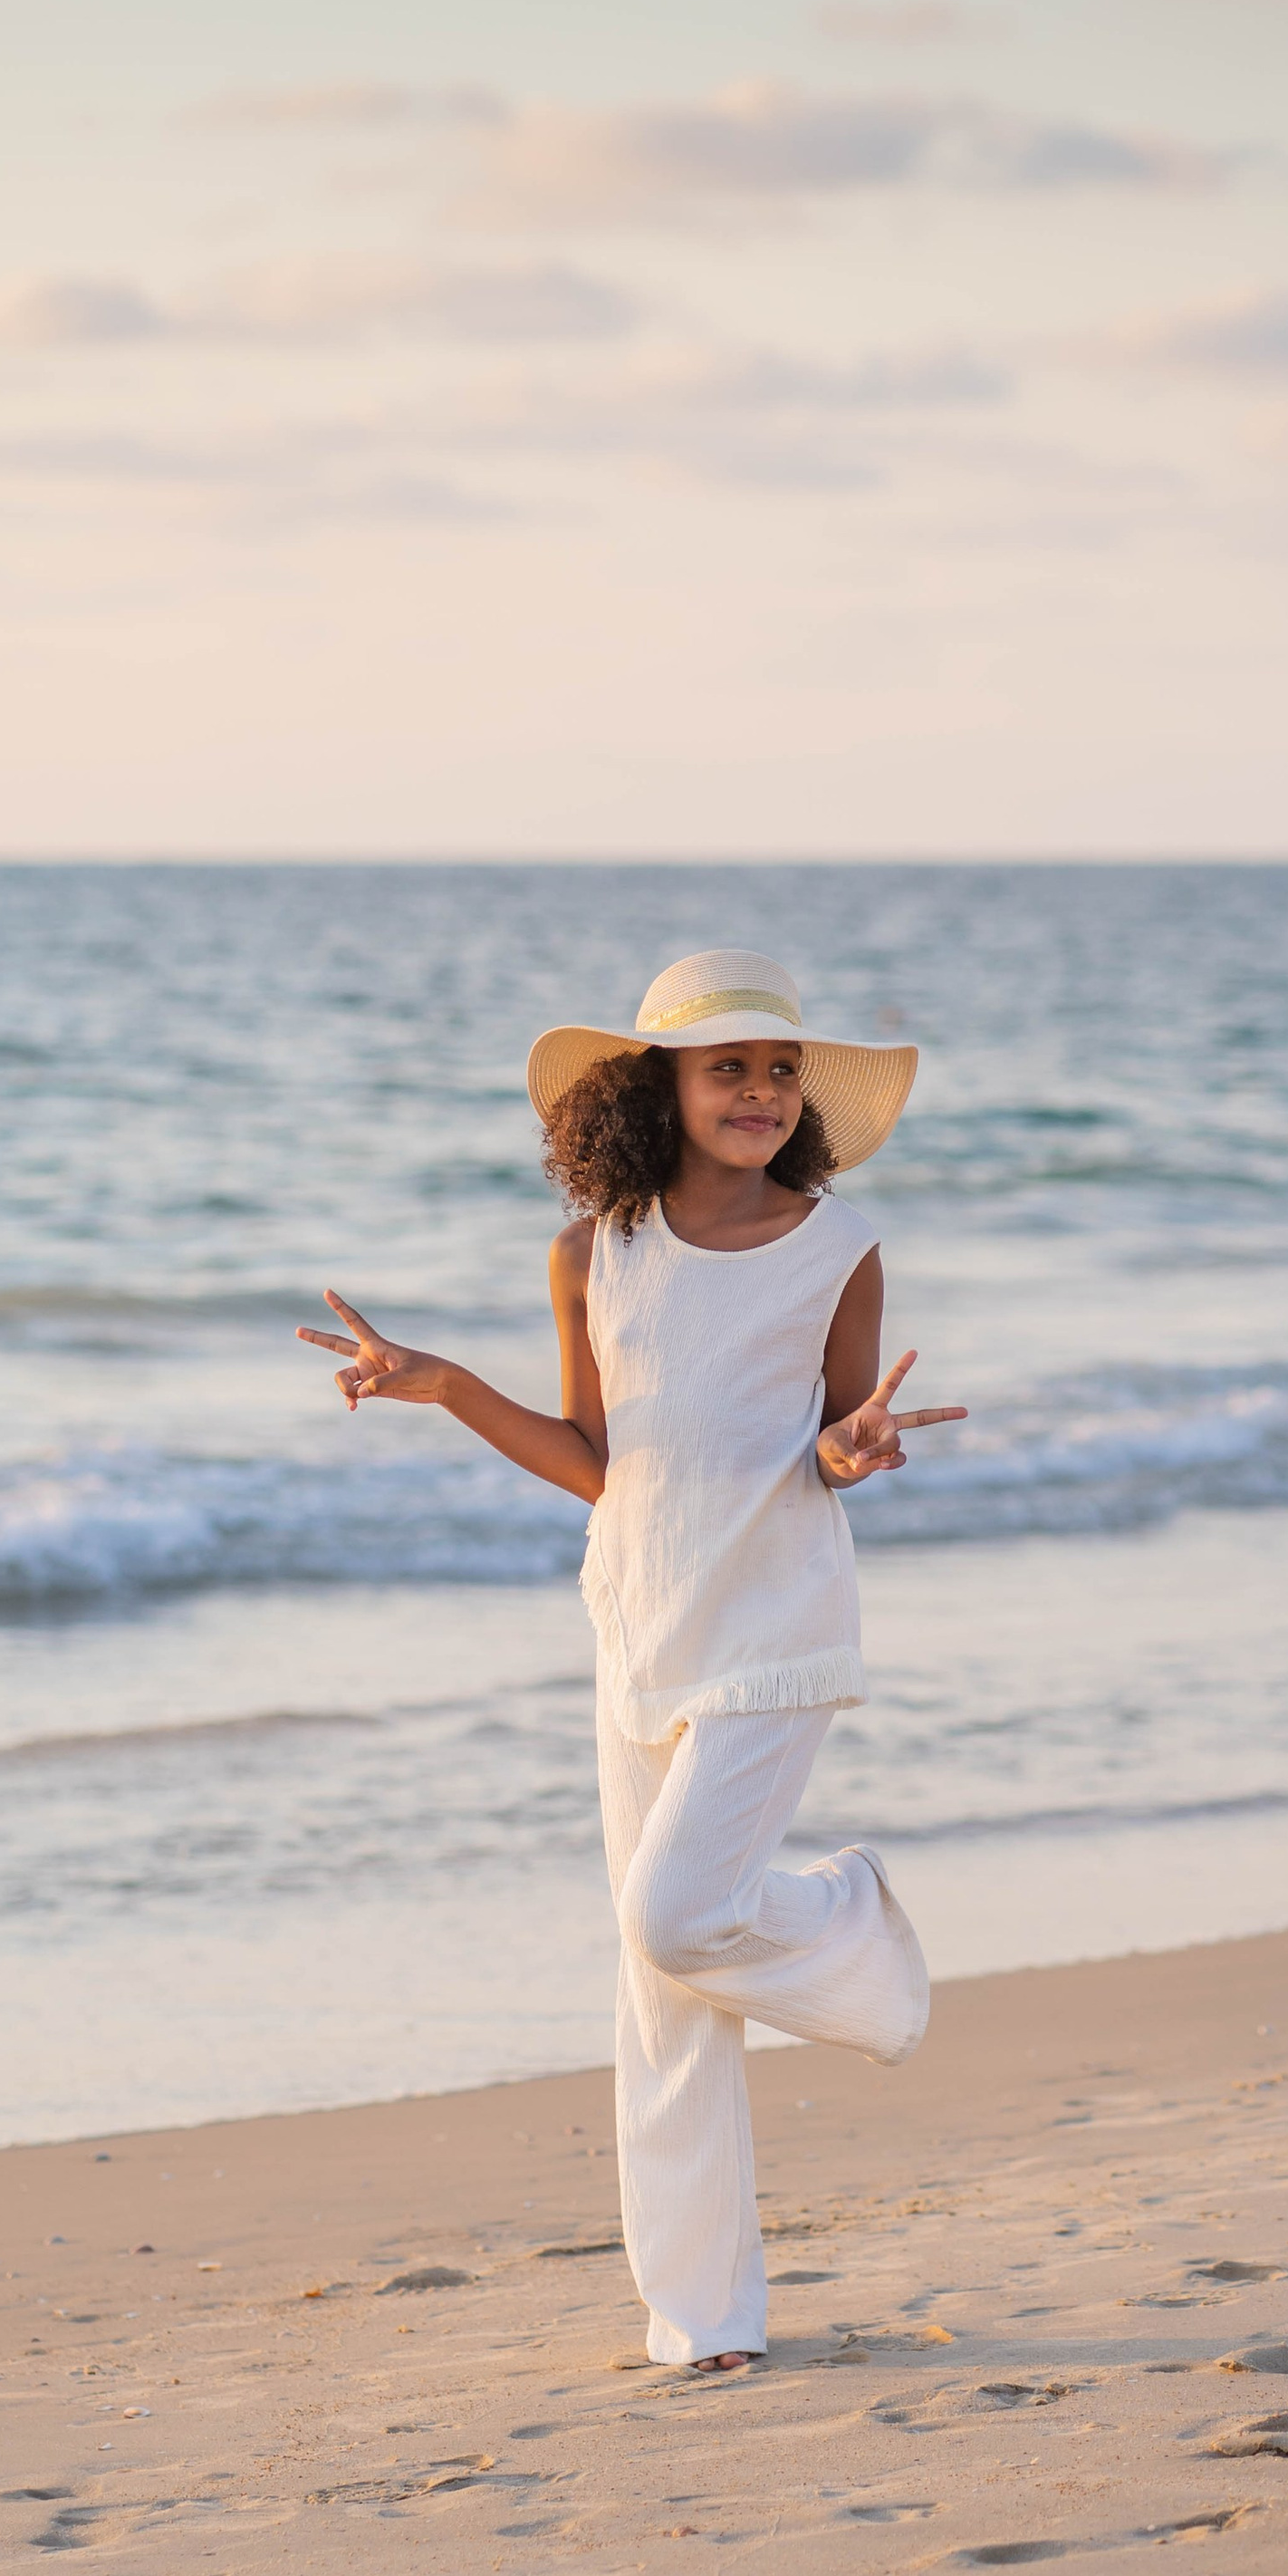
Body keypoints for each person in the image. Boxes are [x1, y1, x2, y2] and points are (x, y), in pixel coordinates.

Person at [299, 948, 963, 2374]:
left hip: (777, 1628)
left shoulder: (838, 1250)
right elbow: (602, 1463)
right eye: (733, 1067)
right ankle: (702, 2321)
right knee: (661, 1994)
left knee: (676, 1920)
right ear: (657, 1084)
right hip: (637, 1624)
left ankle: (851, 1923)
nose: (766, 1092)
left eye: (782, 1069)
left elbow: (838, 1445)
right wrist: (447, 1385)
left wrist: (854, 1449)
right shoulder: (593, 1252)